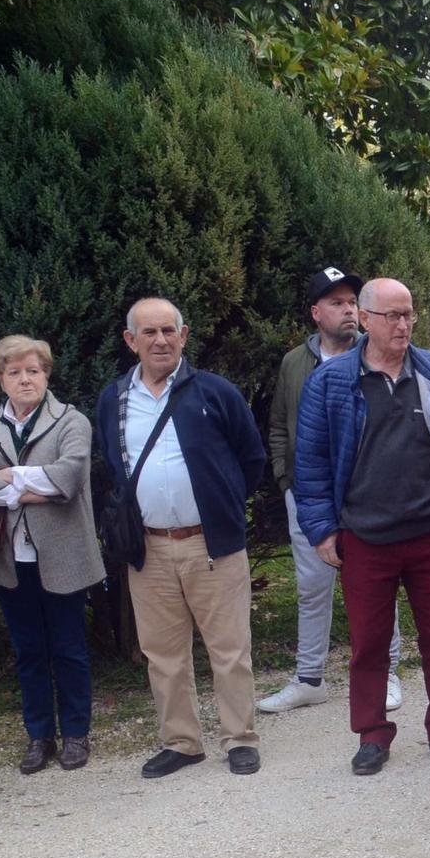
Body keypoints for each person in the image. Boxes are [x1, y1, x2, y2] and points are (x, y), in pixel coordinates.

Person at [294, 277, 430, 775]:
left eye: (409, 315)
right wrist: (322, 529)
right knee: (369, 643)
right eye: (392, 316)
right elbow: (310, 462)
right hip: (366, 536)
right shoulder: (331, 381)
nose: (403, 325)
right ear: (367, 319)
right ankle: (372, 735)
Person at [96, 297, 266, 779]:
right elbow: (113, 460)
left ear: (184, 335)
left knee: (230, 649)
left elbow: (250, 459)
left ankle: (239, 739)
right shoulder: (114, 399)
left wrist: (223, 504)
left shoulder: (215, 392)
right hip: (147, 547)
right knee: (163, 653)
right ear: (131, 341)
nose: (160, 340)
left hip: (211, 544)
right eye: (148, 332)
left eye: (169, 330)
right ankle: (181, 741)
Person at [259, 266, 404, 715]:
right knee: (312, 587)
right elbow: (281, 426)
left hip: (367, 494)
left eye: (351, 302)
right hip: (309, 496)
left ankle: (389, 672)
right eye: (337, 303)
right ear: (315, 312)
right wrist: (288, 482)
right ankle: (309, 678)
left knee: (378, 583)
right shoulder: (294, 363)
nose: (347, 309)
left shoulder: (376, 355)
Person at [0, 334, 103, 778]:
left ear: (46, 374)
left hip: (63, 553)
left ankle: (77, 733)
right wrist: (32, 490)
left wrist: (7, 481)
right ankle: (39, 736)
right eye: (14, 372)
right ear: (0, 378)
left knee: (69, 647)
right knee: (27, 650)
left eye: (33, 370)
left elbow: (70, 474)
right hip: (8, 559)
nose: (24, 379)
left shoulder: (71, 421)